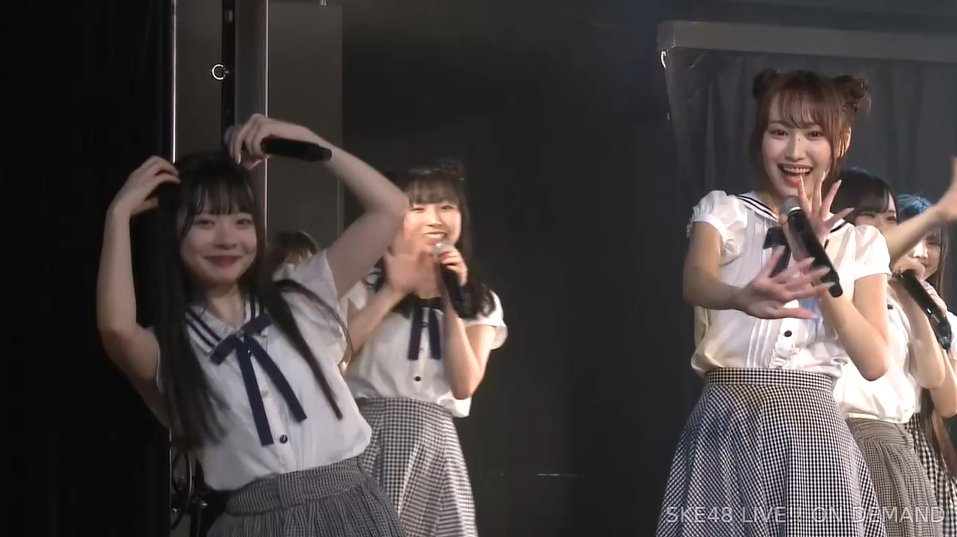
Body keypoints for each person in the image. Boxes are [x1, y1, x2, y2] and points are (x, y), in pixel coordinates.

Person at [95, 113, 409, 537]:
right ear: (173, 234)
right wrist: (118, 215)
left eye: (241, 221)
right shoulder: (173, 348)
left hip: (348, 508)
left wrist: (306, 139)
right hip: (252, 523)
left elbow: (390, 209)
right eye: (205, 223)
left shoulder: (300, 297)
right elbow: (116, 329)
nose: (227, 238)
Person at [657, 69, 889, 536]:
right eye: (779, 132)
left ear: (840, 142)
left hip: (812, 432)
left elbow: (874, 361)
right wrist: (740, 296)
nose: (794, 151)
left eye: (813, 135)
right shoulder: (726, 211)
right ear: (760, 137)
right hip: (727, 420)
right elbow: (696, 281)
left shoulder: (861, 244)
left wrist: (814, 260)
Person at [340, 159, 507, 537]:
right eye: (418, 208)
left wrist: (451, 296)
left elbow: (464, 385)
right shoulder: (361, 284)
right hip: (368, 435)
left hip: (435, 445)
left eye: (446, 206)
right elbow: (336, 356)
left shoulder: (479, 301)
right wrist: (393, 290)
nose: (434, 218)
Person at [830, 168, 953, 536]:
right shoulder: (835, 280)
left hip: (892, 440)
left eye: (892, 219)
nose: (886, 229)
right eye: (872, 216)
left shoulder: (903, 298)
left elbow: (936, 381)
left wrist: (912, 301)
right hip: (839, 434)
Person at [898, 193, 957, 536]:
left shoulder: (946, 320)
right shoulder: (868, 302)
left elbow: (949, 404)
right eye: (913, 238)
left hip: (919, 444)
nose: (921, 252)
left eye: (932, 243)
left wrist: (936, 322)